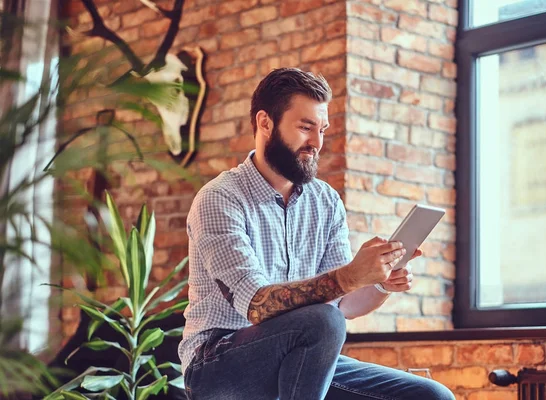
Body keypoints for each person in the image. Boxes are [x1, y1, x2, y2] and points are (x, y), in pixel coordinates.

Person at [178, 68, 455, 400]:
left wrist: (380, 281)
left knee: (430, 396)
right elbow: (257, 306)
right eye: (305, 127)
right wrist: (349, 276)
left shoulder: (325, 201)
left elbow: (343, 306)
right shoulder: (220, 198)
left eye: (321, 129)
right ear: (265, 122)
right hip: (218, 363)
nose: (317, 143)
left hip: (302, 356)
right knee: (322, 321)